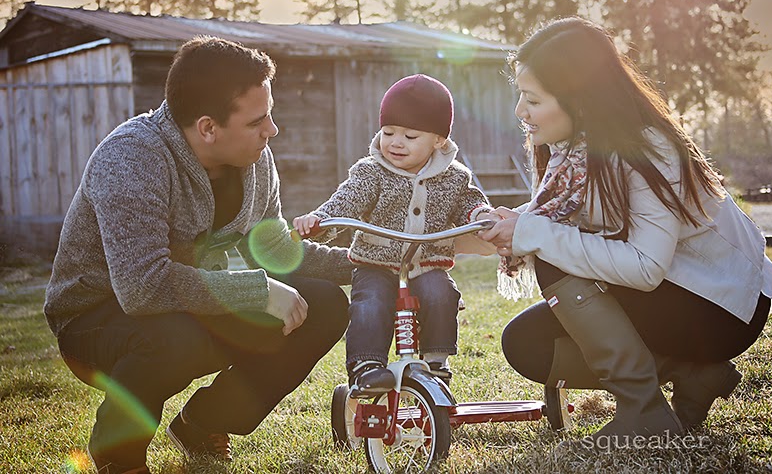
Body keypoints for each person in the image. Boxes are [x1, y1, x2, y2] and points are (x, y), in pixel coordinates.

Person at [477, 17, 772, 449]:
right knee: (527, 344)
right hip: (670, 297)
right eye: (521, 96)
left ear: (579, 100)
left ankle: (643, 411)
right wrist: (513, 221)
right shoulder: (575, 152)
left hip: (718, 307)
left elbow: (647, 266)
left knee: (549, 249)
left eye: (532, 100)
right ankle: (696, 374)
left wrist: (533, 230)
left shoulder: (647, 150)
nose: (520, 111)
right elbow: (575, 215)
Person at [44, 36, 353, 474]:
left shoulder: (256, 160)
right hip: (96, 319)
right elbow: (142, 288)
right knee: (176, 339)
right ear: (208, 127)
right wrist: (256, 291)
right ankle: (120, 456)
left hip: (188, 305)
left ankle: (203, 423)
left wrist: (367, 265)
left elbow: (276, 249)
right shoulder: (131, 157)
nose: (272, 130)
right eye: (257, 121)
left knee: (322, 305)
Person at [293, 74, 492, 395]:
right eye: (388, 132)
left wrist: (481, 215)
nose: (395, 142)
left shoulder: (454, 177)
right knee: (369, 302)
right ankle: (366, 366)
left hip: (428, 264)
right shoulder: (371, 171)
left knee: (442, 295)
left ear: (439, 140)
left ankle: (437, 362)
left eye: (410, 136)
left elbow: (470, 202)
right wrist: (320, 219)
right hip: (376, 264)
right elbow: (347, 200)